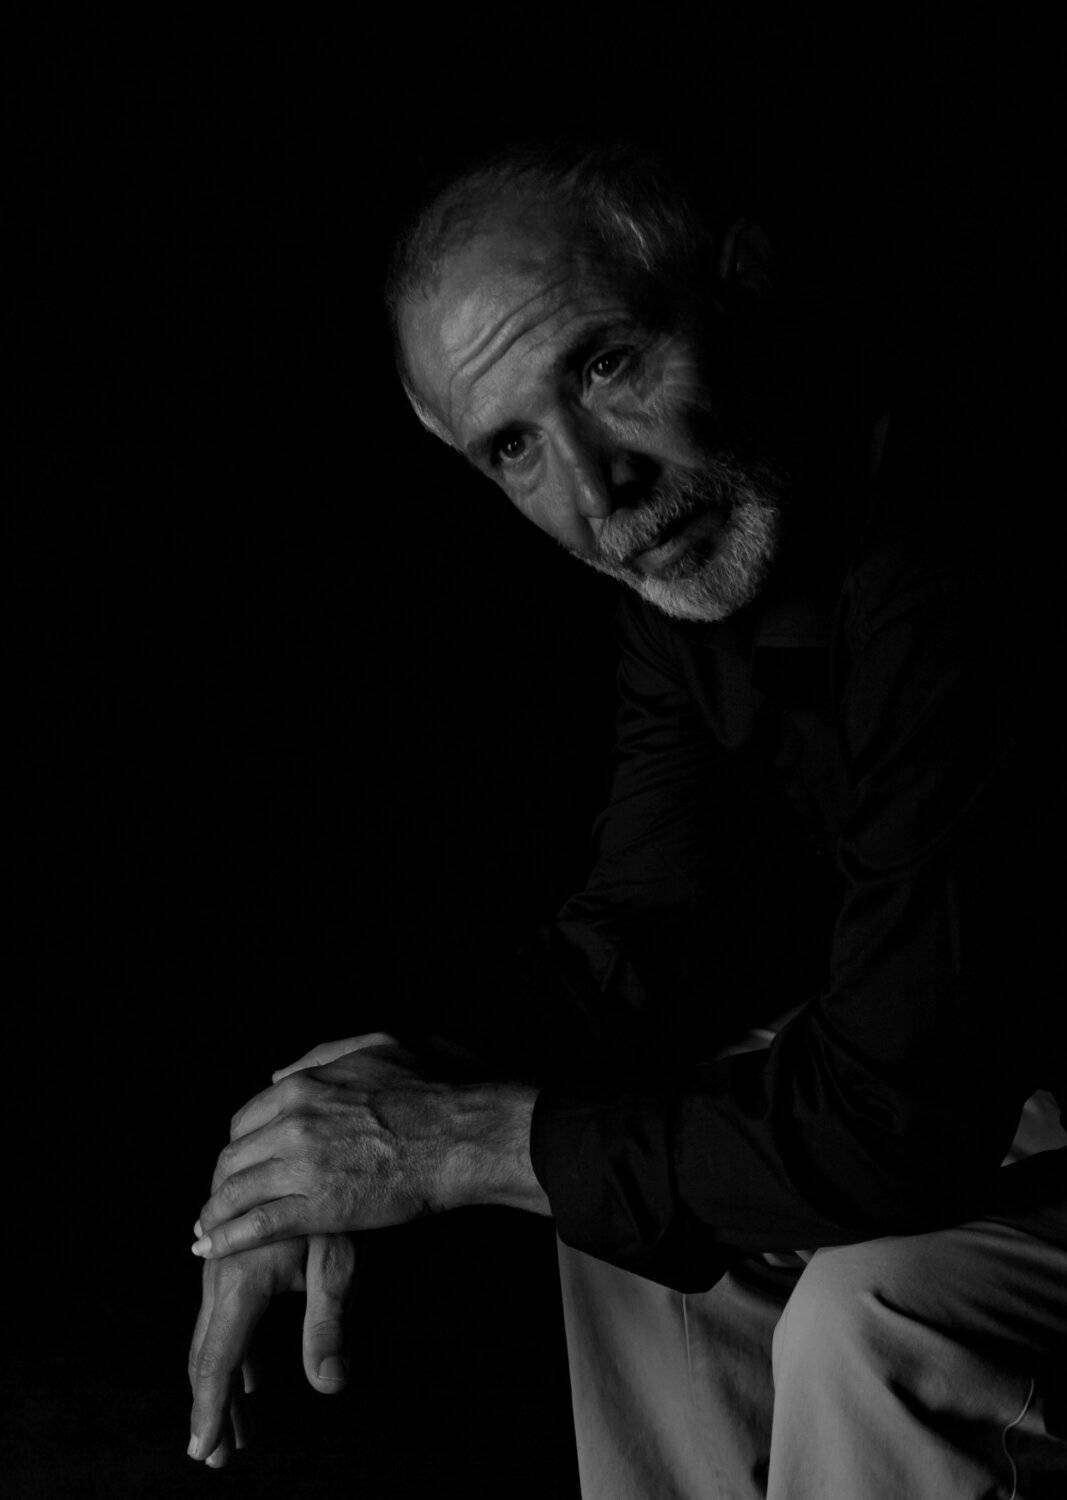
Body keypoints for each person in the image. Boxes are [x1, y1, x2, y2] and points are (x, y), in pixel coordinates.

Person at [185, 139, 1067, 1494]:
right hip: (998, 1084)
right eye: (515, 448)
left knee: (874, 1321)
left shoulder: (957, 538)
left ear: (747, 287)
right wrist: (349, 1112)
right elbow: (650, 933)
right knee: (628, 1220)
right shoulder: (696, 563)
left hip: (981, 1094)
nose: (596, 491)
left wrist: (457, 1141)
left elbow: (895, 1116)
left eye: (605, 366)